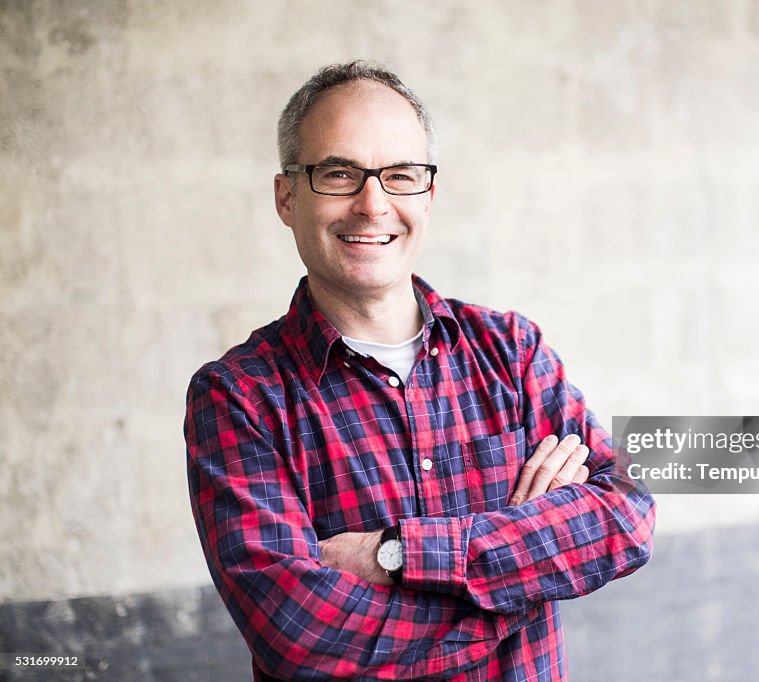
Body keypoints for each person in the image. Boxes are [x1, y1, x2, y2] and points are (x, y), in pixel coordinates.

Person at [184, 60, 656, 681]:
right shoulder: (239, 397)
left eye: (400, 176)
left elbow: (626, 514)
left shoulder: (511, 351)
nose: (372, 204)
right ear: (287, 197)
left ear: (428, 196)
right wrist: (522, 582)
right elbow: (301, 636)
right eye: (338, 174)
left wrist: (398, 554)